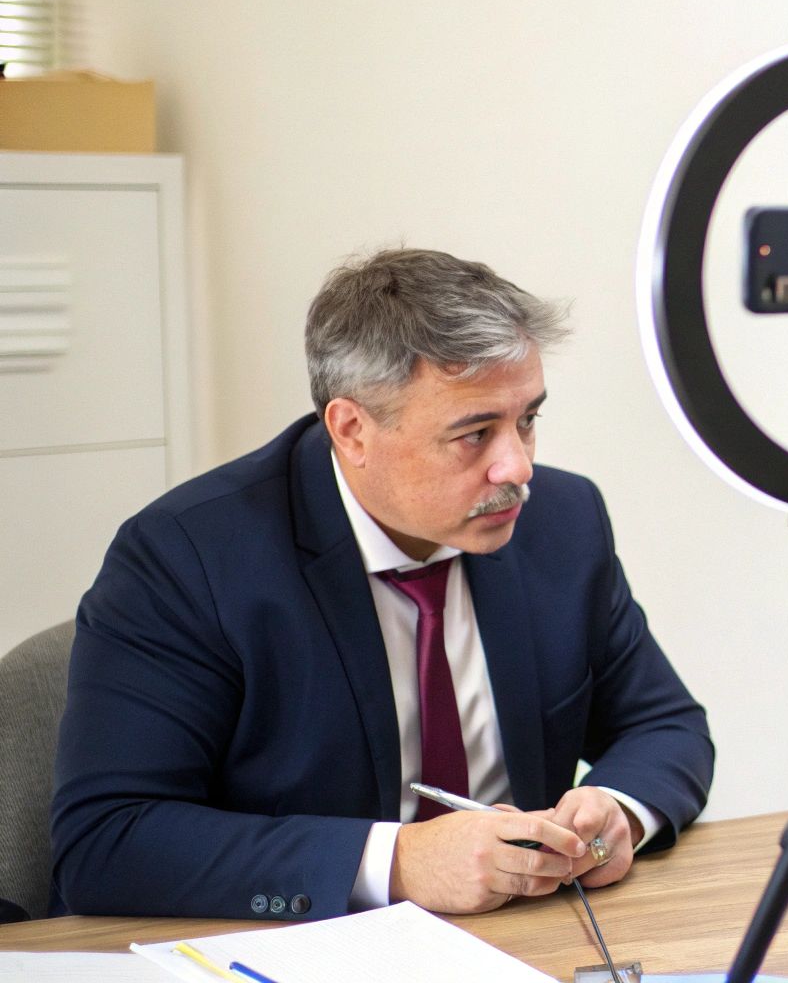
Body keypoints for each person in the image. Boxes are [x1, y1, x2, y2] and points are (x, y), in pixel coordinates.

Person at [51, 250, 715, 920]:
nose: (517, 467)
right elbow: (108, 841)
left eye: (527, 421)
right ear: (352, 430)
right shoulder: (188, 557)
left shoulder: (564, 524)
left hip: (521, 943)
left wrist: (621, 813)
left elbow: (664, 725)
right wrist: (396, 863)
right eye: (475, 434)